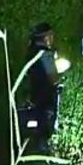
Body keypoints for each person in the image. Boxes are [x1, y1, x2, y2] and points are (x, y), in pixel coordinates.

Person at [26, 22, 69, 152]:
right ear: (46, 37)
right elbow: (53, 77)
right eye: (51, 35)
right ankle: (45, 156)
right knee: (46, 129)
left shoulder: (31, 52)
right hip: (46, 98)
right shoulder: (46, 54)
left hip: (33, 96)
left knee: (36, 128)